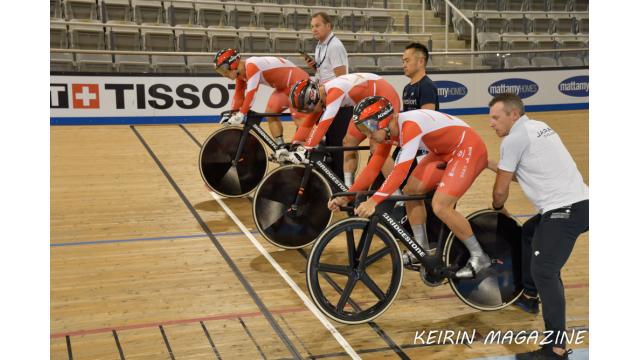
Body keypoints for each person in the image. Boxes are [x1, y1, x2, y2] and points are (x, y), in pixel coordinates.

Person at [329, 96, 491, 277]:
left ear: (383, 120)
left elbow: (399, 173)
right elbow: (373, 169)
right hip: (442, 151)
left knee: (441, 205)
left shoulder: (409, 126)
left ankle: (480, 255)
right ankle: (420, 250)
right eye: (363, 129)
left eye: (369, 128)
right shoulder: (389, 132)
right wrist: (347, 196)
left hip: (466, 147)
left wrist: (373, 201)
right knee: (410, 191)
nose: (368, 135)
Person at [486, 93, 588, 360]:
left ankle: (556, 349)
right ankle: (530, 297)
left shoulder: (514, 139)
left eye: (496, 118)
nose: (491, 124)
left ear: (513, 115)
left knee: (545, 271)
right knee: (529, 233)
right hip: (582, 201)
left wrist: (499, 209)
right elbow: (530, 172)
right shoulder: (538, 126)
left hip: (564, 211)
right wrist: (489, 164)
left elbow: (500, 190)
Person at [283, 74, 399, 183]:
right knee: (348, 143)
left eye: (309, 109)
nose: (310, 112)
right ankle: (348, 190)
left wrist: (305, 150)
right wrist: (293, 145)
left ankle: (397, 195)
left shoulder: (334, 92)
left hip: (384, 96)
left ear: (314, 99)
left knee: (377, 148)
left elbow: (324, 124)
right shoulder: (321, 96)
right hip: (367, 104)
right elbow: (308, 122)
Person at [212, 49, 309, 146]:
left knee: (298, 116)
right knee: (270, 113)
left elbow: (251, 93)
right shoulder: (240, 75)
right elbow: (239, 94)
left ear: (233, 64)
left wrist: (241, 114)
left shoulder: (251, 66)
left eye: (224, 70)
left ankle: (307, 148)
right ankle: (281, 148)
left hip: (298, 81)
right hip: (285, 87)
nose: (224, 75)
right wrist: (233, 113)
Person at [301, 12, 351, 181]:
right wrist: (315, 68)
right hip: (327, 101)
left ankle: (340, 184)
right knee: (328, 144)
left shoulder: (335, 46)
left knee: (337, 147)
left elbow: (342, 79)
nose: (314, 29)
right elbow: (326, 73)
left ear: (328, 26)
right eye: (312, 26)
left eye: (317, 25)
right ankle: (330, 181)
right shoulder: (320, 45)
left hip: (339, 104)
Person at [401, 43, 439, 112]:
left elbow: (427, 119)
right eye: (403, 62)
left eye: (407, 61)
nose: (403, 65)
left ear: (421, 61)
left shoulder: (427, 86)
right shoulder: (407, 88)